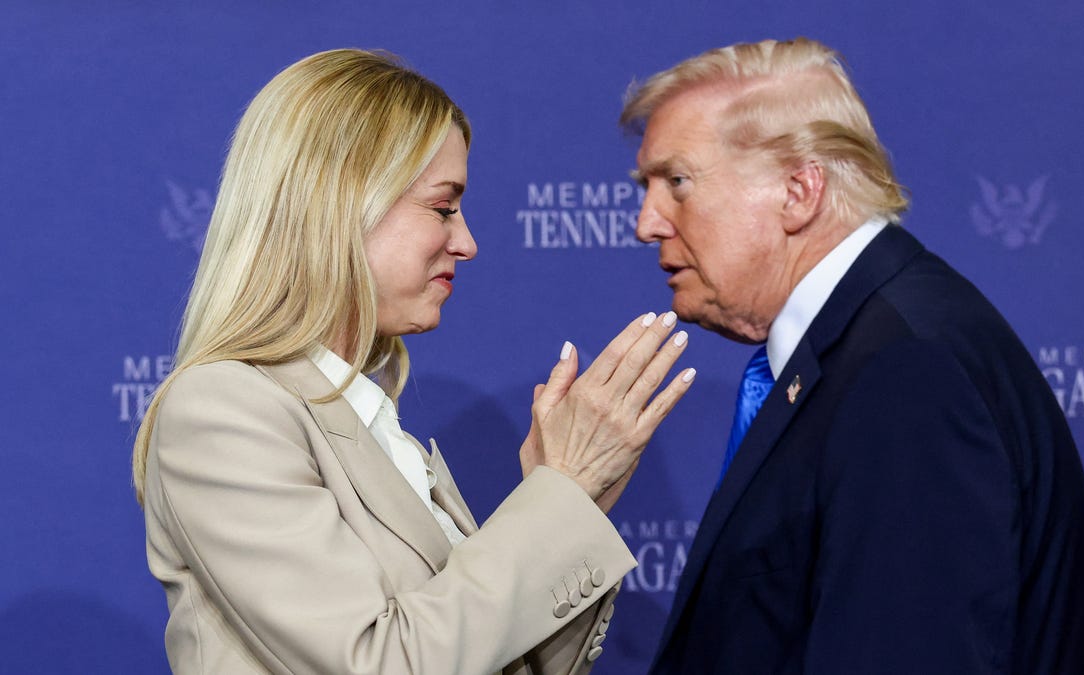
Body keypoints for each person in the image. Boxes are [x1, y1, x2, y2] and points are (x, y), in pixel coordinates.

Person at [132, 49, 695, 675]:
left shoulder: (372, 424)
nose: (467, 242)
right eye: (443, 207)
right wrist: (558, 499)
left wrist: (564, 500)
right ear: (340, 203)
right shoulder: (225, 410)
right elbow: (378, 664)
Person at [621, 37, 1084, 673]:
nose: (647, 222)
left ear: (799, 190)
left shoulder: (907, 375)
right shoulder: (865, 349)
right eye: (647, 186)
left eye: (677, 182)